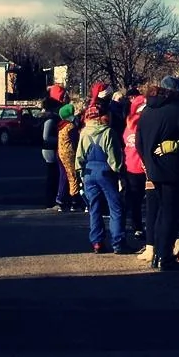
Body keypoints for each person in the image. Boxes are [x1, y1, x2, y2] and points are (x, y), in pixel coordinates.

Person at [136, 76, 179, 270]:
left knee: (159, 212)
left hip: (153, 168)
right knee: (170, 214)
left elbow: (139, 143)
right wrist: (177, 145)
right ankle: (164, 257)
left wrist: (148, 161)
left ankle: (157, 253)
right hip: (172, 168)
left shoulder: (146, 111)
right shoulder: (177, 111)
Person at [76, 103, 126, 253]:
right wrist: (120, 173)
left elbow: (79, 156)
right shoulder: (108, 132)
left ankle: (97, 242)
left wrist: (80, 175)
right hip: (105, 171)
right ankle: (118, 243)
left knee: (94, 208)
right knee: (115, 207)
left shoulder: (84, 132)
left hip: (89, 172)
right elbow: (114, 158)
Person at [121, 91, 148, 239]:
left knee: (133, 199)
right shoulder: (142, 125)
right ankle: (140, 226)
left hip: (129, 165)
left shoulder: (128, 125)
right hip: (142, 166)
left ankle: (133, 225)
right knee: (146, 199)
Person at [57, 103, 84, 212]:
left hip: (60, 153)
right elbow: (75, 141)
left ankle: (61, 199)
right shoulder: (70, 127)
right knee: (72, 176)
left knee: (64, 175)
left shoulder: (61, 126)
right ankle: (74, 200)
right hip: (69, 154)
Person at [40, 100, 62, 210]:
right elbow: (46, 137)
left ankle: (51, 200)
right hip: (50, 149)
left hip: (49, 149)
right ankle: (50, 201)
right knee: (52, 175)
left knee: (53, 174)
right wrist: (60, 139)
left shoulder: (50, 118)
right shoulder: (50, 120)